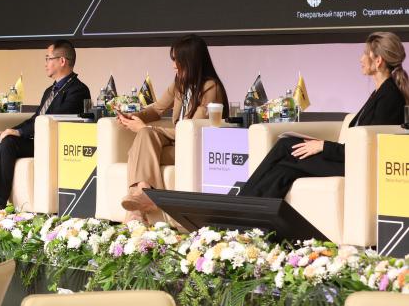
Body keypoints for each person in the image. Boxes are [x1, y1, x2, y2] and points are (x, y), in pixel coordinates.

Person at [240, 31, 408, 198]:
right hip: (348, 159)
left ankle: (240, 204)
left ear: (378, 61)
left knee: (285, 146)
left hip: (357, 165)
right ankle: (249, 210)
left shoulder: (390, 97)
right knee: (284, 170)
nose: (361, 59)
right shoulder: (381, 92)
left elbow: (368, 148)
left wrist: (322, 146)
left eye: (365, 54)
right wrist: (321, 145)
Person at [0, 39, 90, 217]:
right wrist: (9, 130)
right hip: (34, 140)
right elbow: (35, 118)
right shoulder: (50, 90)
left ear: (62, 61)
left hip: (50, 145)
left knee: (9, 142)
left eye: (48, 58)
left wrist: (17, 133)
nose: (45, 63)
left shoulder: (78, 90)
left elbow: (49, 120)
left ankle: (0, 201)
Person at [118, 34, 228, 222]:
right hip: (175, 144)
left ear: (191, 61)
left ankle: (137, 210)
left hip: (195, 148)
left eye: (177, 60)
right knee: (145, 137)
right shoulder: (179, 84)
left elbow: (192, 131)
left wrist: (146, 127)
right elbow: (157, 109)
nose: (173, 65)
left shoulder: (210, 87)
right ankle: (143, 196)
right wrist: (135, 117)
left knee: (137, 150)